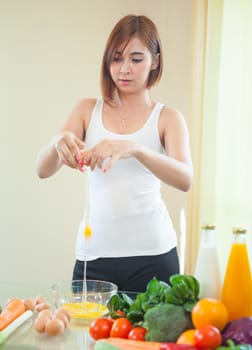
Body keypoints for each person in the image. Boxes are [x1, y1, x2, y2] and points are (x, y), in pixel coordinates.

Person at [36, 14, 193, 292]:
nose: (124, 69)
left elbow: (185, 179)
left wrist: (134, 148)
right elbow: (43, 169)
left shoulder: (168, 118)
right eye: (117, 58)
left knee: (151, 336)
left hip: (154, 256)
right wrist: (58, 141)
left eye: (136, 59)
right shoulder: (87, 110)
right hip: (94, 257)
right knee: (89, 336)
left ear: (155, 61)